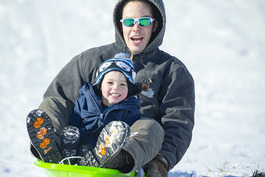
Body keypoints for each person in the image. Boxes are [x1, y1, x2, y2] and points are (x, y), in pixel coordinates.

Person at [27, 0, 195, 176]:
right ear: (119, 24)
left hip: (129, 149)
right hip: (76, 142)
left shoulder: (171, 69)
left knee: (152, 127)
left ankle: (117, 158)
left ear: (155, 25)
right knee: (53, 103)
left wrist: (161, 159)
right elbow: (59, 96)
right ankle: (50, 148)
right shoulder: (90, 60)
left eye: (144, 21)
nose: (136, 28)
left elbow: (178, 122)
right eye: (129, 22)